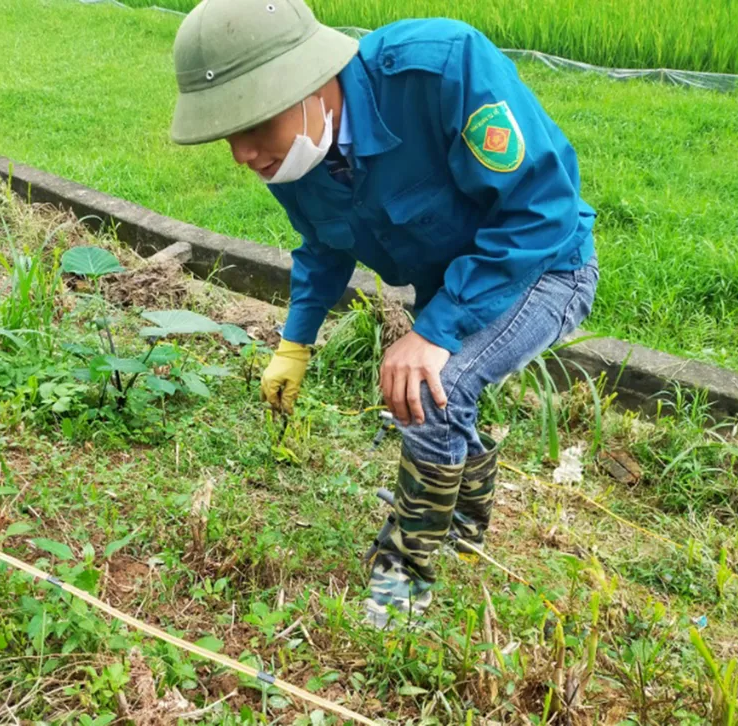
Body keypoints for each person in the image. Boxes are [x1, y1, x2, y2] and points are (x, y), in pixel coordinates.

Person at [170, 0, 599, 627]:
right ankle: (467, 524)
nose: (242, 152)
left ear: (310, 82)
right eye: (227, 132)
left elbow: (543, 208)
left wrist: (435, 330)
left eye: (253, 122)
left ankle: (401, 583)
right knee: (441, 394)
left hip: (543, 265)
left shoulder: (440, 70)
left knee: (432, 386)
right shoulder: (296, 152)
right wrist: (296, 342)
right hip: (453, 284)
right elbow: (323, 247)